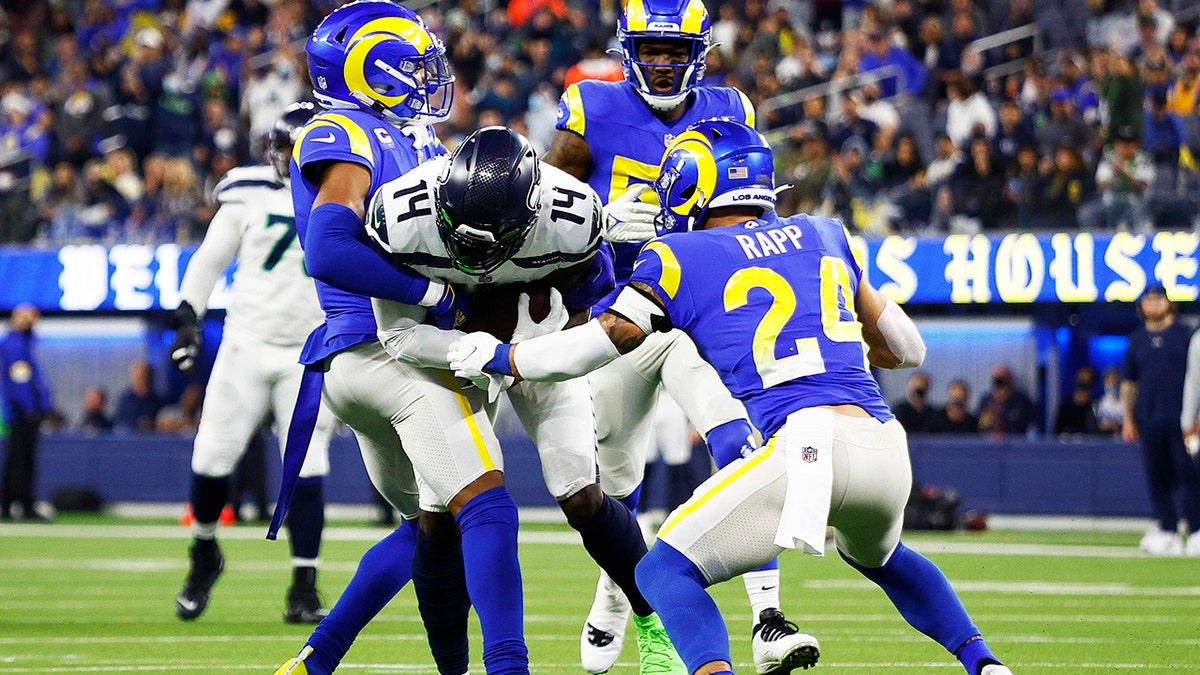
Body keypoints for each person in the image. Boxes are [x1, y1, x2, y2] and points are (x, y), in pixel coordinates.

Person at [449, 118, 1013, 675]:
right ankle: (983, 663)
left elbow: (599, 344)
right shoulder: (825, 233)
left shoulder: (680, 254)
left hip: (806, 445)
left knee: (661, 572)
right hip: (886, 445)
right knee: (885, 560)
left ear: (696, 182)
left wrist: (502, 357)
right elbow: (908, 349)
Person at [283, 127, 685, 675]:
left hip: (545, 346)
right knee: (438, 519)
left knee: (581, 495)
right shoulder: (400, 216)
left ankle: (653, 621)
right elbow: (400, 337)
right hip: (455, 354)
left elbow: (590, 318)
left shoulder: (574, 218)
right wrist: (475, 348)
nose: (479, 262)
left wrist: (521, 351)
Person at [542, 1, 811, 672]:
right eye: (651, 46)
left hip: (699, 309)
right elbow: (539, 212)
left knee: (737, 438)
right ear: (630, 45)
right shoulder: (590, 109)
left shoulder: (730, 110)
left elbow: (751, 213)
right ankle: (616, 592)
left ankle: (768, 617)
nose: (662, 60)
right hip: (620, 310)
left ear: (700, 47)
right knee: (618, 475)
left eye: (675, 46)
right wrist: (599, 220)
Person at [273, 4, 514, 675]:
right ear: (367, 70)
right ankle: (508, 666)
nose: (428, 77)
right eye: (412, 66)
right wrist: (434, 294)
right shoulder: (345, 129)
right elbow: (327, 247)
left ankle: (316, 658)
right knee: (487, 503)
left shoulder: (412, 140)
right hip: (386, 350)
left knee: (430, 527)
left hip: (371, 362)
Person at [169, 101, 338, 624]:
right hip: (247, 342)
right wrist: (186, 319)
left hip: (310, 352)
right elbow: (209, 259)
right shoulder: (249, 193)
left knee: (308, 469)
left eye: (297, 149)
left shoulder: (348, 193)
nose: (287, 160)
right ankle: (203, 553)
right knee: (211, 459)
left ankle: (304, 585)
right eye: (284, 149)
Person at [1122, 285, 1200, 556]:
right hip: (1150, 419)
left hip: (1183, 419)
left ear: (1170, 302)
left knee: (1189, 474)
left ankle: (1196, 530)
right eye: (1148, 299)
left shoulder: (1186, 334)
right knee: (1157, 477)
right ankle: (1167, 530)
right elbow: (1130, 384)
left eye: (1159, 298)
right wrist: (1128, 418)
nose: (1154, 304)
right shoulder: (1136, 340)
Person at [1, 304, 54, 521]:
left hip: (22, 410)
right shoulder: (15, 345)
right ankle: (19, 504)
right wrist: (31, 407)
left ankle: (13, 504)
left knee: (19, 458)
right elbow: (20, 379)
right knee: (21, 460)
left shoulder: (21, 343)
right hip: (22, 412)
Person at [976, 365, 1036, 437]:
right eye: (997, 379)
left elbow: (1032, 425)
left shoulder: (1022, 401)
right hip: (988, 443)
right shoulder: (986, 400)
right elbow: (978, 424)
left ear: (1010, 380)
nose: (1000, 383)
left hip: (1014, 443)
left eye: (1002, 379)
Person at [113, 360, 163, 432]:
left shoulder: (157, 401)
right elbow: (119, 422)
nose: (142, 379)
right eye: (138, 376)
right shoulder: (125, 400)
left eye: (145, 376)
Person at [1054, 366, 1100, 435]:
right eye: (1081, 379)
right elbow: (1056, 430)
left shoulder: (1095, 406)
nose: (1083, 380)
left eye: (1087, 380)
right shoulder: (1066, 406)